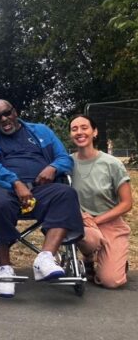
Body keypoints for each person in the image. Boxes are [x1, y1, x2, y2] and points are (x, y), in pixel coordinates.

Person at [0, 99, 84, 298]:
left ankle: (45, 258)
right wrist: (15, 182)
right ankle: (5, 267)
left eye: (7, 113)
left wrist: (53, 167)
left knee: (66, 194)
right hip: (5, 188)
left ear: (15, 111)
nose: (4, 119)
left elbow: (64, 158)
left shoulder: (40, 131)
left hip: (41, 188)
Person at [69, 114, 132, 288]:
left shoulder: (112, 164)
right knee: (90, 239)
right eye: (74, 129)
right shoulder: (67, 163)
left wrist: (96, 220)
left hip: (109, 222)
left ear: (94, 132)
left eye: (84, 128)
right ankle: (88, 259)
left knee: (112, 281)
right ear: (70, 135)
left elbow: (127, 203)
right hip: (83, 223)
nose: (79, 132)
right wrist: (85, 218)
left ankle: (114, 259)